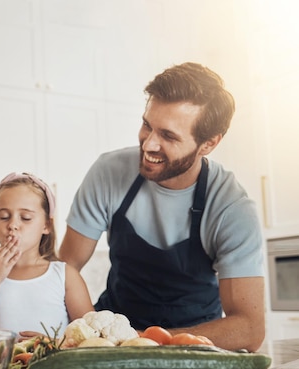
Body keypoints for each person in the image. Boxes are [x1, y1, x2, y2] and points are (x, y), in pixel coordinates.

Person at [59, 62, 265, 352]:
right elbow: (63, 273)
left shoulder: (231, 208)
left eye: (168, 136)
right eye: (147, 125)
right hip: (112, 344)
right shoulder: (108, 172)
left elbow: (249, 328)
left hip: (193, 347)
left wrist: (144, 340)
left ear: (208, 144)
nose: (149, 144)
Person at [0, 172, 94, 339]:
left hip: (52, 366)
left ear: (47, 225)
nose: (12, 225)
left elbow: (91, 340)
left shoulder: (65, 276)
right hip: (1, 366)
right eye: (4, 217)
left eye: (25, 218)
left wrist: (52, 344)